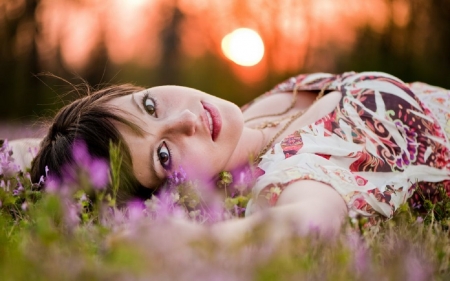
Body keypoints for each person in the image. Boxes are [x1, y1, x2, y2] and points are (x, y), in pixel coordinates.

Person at [24, 71, 450, 237]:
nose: (186, 119)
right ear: (172, 198)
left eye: (149, 106)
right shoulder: (296, 170)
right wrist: (202, 241)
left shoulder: (247, 119)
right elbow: (298, 224)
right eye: (165, 156)